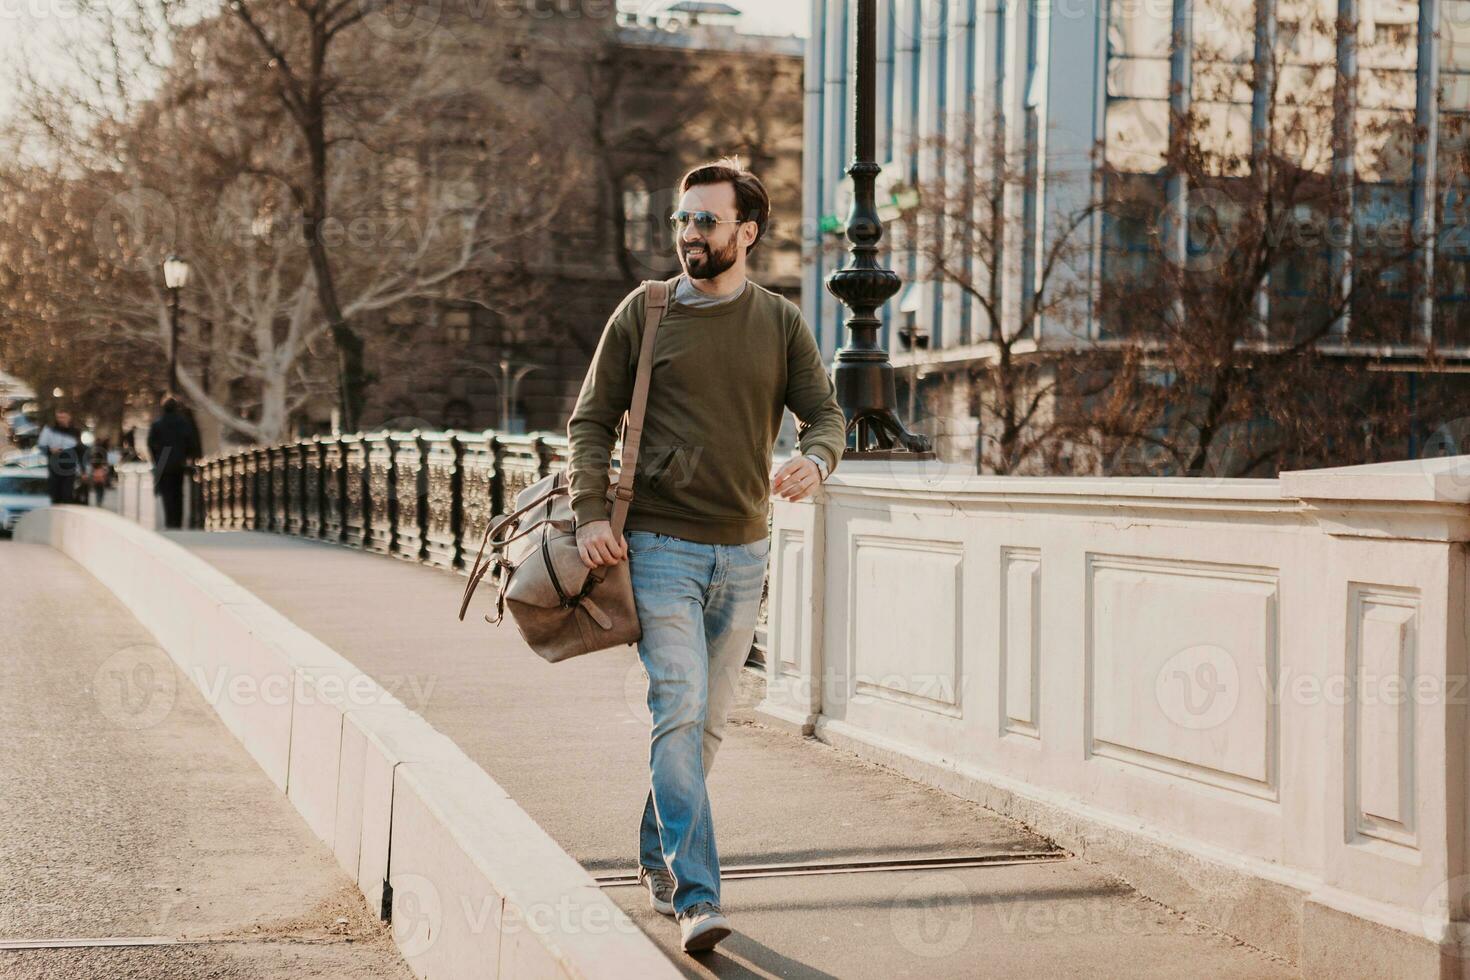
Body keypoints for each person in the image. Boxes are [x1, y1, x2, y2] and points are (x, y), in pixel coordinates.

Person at [567, 158, 845, 955]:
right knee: (678, 708)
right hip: (655, 547)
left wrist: (816, 460)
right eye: (682, 220)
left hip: (745, 552)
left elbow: (823, 413)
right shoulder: (646, 311)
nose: (690, 233)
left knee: (709, 724)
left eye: (705, 221)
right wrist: (592, 513)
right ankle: (698, 898)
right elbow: (591, 421)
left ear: (745, 233)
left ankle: (657, 852)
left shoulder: (780, 322)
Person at [147, 395, 201, 529]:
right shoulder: (183, 423)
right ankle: (177, 520)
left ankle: (170, 520)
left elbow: (150, 443)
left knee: (167, 493)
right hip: (179, 461)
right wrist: (188, 456)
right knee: (178, 492)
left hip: (164, 459)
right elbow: (191, 441)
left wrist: (156, 458)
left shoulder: (158, 424)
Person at [37, 409, 86, 505]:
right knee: (55, 494)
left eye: (63, 417)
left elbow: (80, 451)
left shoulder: (75, 432)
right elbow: (41, 446)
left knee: (67, 494)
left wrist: (83, 471)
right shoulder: (49, 430)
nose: (61, 420)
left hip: (69, 467)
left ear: (69, 417)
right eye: (59, 417)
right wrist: (50, 450)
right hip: (55, 466)